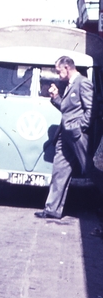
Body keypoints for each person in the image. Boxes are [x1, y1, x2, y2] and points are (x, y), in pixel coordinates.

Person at [35, 56, 93, 220]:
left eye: (59, 71)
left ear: (67, 68)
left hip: (76, 135)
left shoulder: (82, 83)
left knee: (91, 170)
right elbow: (68, 110)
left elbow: (91, 109)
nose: (58, 75)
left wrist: (80, 127)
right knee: (59, 170)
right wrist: (55, 98)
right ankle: (52, 209)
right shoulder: (69, 85)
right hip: (65, 135)